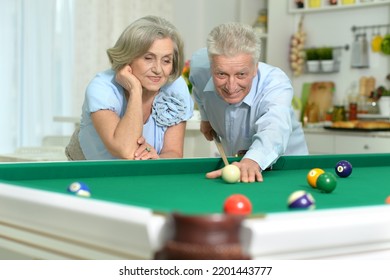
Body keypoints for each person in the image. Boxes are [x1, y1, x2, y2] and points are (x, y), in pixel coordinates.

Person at [189, 22, 308, 183]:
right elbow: (198, 88)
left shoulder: (275, 83)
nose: (231, 87)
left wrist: (253, 160)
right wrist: (206, 117)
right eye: (222, 74)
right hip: (240, 167)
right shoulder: (199, 66)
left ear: (255, 68)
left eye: (241, 74)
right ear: (211, 67)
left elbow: (275, 127)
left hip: (288, 171)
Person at [66, 16, 193, 160]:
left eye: (166, 60)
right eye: (148, 58)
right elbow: (125, 150)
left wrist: (157, 159)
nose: (158, 69)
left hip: (141, 170)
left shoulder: (175, 87)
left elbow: (174, 152)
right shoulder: (101, 87)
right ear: (128, 57)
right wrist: (135, 90)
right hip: (90, 165)